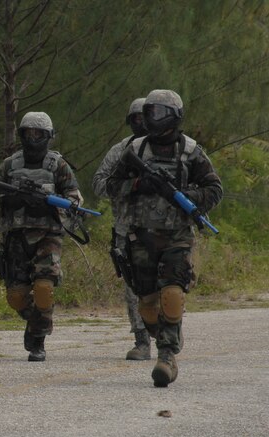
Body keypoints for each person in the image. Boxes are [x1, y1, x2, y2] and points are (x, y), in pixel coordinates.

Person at [106, 89, 222, 387]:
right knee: (147, 304)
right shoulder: (135, 150)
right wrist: (138, 184)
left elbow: (214, 189)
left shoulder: (191, 152)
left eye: (159, 112)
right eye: (149, 112)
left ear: (174, 116)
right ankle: (166, 336)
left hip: (177, 237)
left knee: (171, 294)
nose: (152, 118)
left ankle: (167, 357)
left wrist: (185, 195)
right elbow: (111, 186)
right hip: (139, 237)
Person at [0, 112, 84, 362]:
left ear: (48, 136)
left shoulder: (58, 165)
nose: (33, 138)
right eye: (28, 133)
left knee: (43, 287)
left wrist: (49, 205)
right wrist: (12, 200)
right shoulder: (10, 165)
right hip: (16, 237)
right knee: (16, 296)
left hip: (47, 236)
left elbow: (75, 200)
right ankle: (35, 322)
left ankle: (38, 340)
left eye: (39, 134)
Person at [92, 98, 152, 360]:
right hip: (128, 231)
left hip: (166, 230)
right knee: (133, 288)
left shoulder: (174, 149)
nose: (142, 123)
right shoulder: (120, 151)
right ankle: (142, 341)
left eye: (146, 117)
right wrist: (130, 184)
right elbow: (98, 184)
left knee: (169, 285)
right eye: (137, 118)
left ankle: (169, 331)